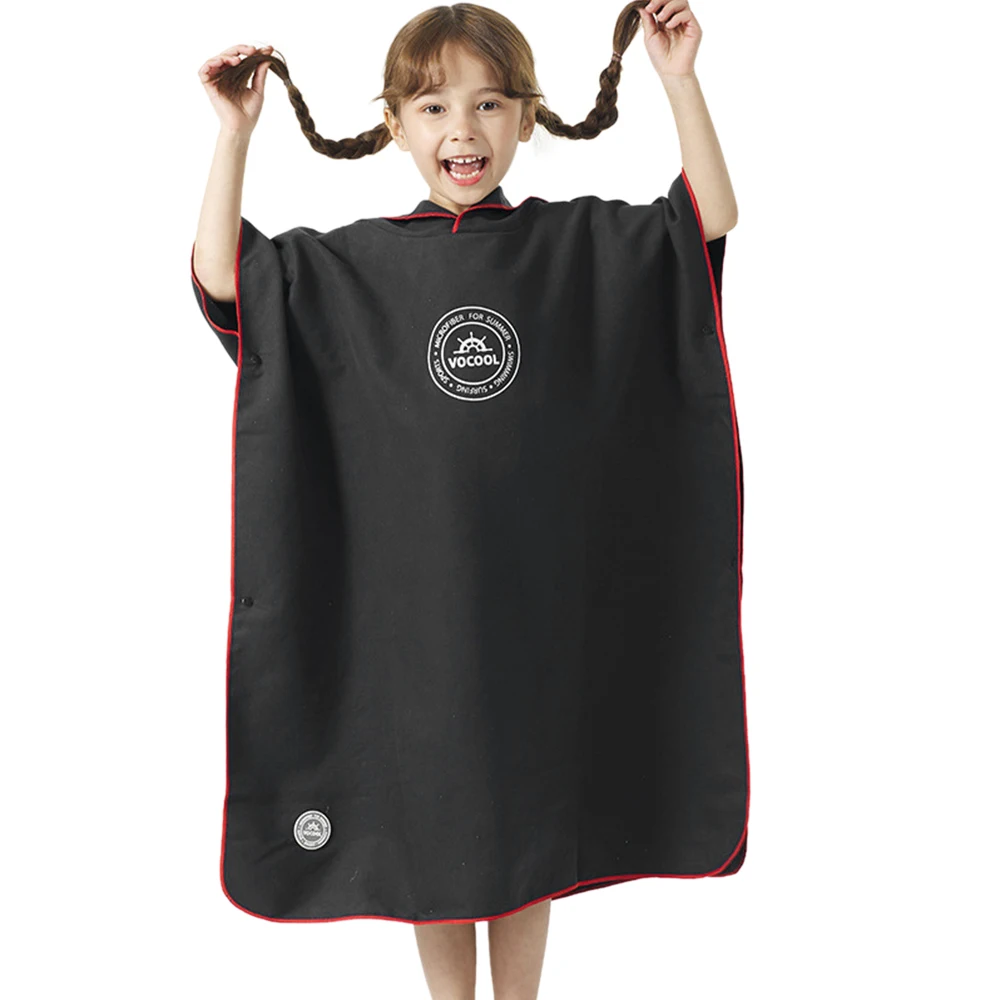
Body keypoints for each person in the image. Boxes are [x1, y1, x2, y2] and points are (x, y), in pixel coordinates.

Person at [191, 3, 738, 999]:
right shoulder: (347, 270)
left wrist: (678, 79)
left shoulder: (580, 249)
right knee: (432, 831)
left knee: (525, 826)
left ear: (526, 117)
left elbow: (703, 221)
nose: (463, 130)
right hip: (411, 623)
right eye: (434, 106)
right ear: (394, 124)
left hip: (540, 614)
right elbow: (228, 277)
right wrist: (235, 135)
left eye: (489, 104)